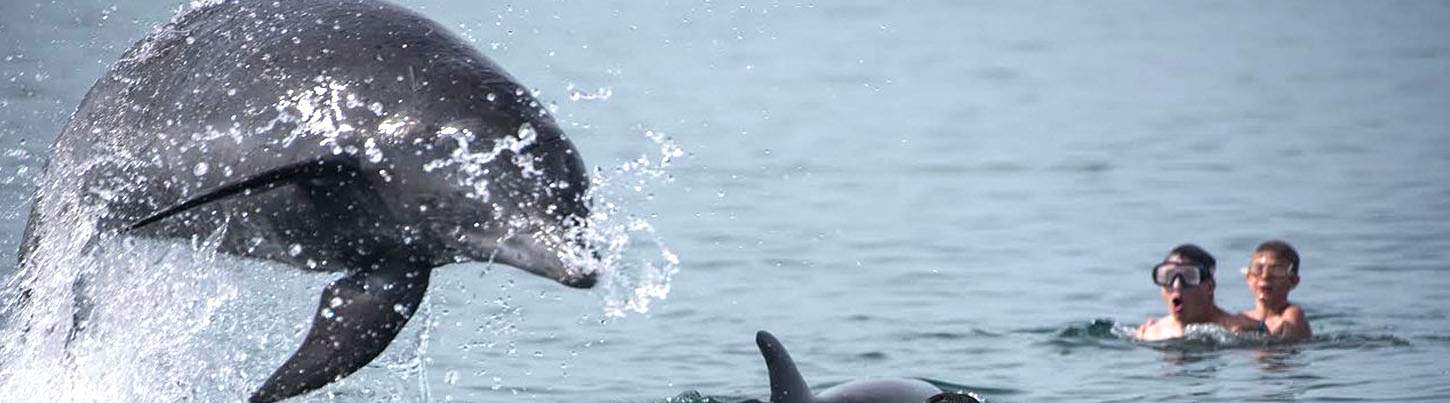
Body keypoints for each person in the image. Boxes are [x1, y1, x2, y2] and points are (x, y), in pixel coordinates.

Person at [1136, 244, 1259, 341]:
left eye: (1190, 277)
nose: (1176, 285)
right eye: (1167, 277)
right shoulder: (1150, 334)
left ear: (1210, 287)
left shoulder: (1241, 331)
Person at [1240, 240, 1312, 341]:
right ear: (1248, 277)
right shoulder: (1242, 317)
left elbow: (1280, 346)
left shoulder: (1292, 315)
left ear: (1293, 281)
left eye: (1276, 270)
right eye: (1258, 269)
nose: (1265, 276)